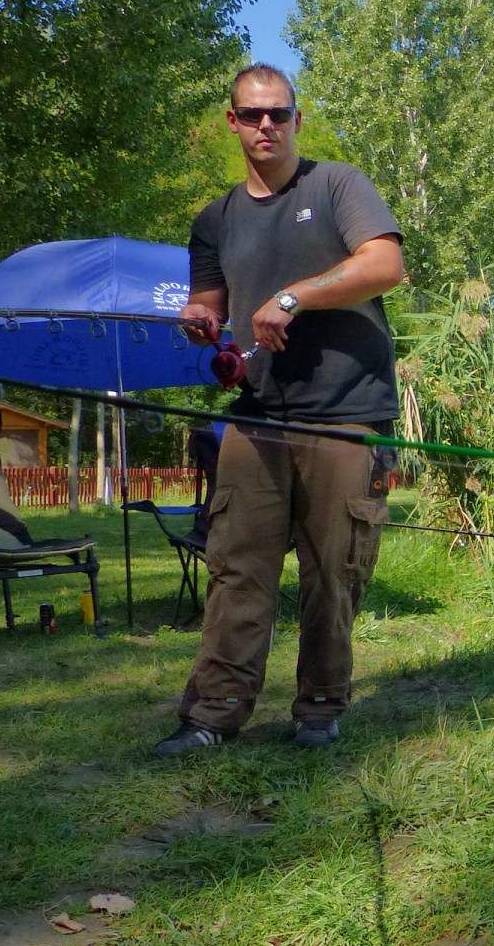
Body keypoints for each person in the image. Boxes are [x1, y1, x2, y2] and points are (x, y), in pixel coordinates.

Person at [154, 63, 407, 755]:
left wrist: (296, 295)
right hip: (258, 411)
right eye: (252, 115)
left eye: (279, 114)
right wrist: (197, 318)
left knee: (335, 570)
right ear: (231, 123)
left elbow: (384, 265)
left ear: (298, 120)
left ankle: (319, 710)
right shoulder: (215, 219)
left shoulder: (336, 186)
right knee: (236, 565)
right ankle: (212, 716)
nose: (267, 125)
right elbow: (209, 299)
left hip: (345, 412)